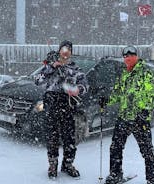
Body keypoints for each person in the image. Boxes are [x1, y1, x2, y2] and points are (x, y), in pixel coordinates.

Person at [104, 46, 154, 184]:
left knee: (147, 150)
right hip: (124, 117)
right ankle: (115, 174)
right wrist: (106, 100)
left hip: (139, 118)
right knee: (116, 146)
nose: (128, 58)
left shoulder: (145, 72)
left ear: (136, 56)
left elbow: (153, 94)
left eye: (131, 55)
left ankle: (152, 179)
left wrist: (145, 110)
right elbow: (118, 94)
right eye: (125, 56)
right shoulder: (124, 74)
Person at [36, 40, 88, 179]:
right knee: (52, 137)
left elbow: (85, 85)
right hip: (52, 104)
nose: (66, 52)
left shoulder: (75, 68)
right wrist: (51, 67)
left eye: (68, 49)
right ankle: (53, 165)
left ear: (71, 52)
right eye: (63, 49)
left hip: (68, 106)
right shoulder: (49, 66)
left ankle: (68, 164)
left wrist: (78, 89)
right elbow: (37, 80)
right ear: (59, 51)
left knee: (69, 138)